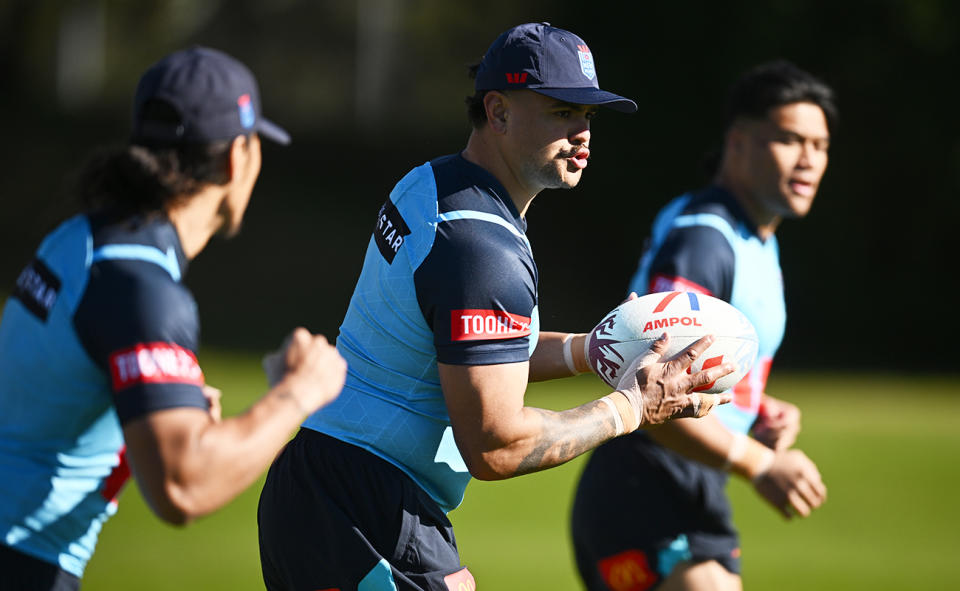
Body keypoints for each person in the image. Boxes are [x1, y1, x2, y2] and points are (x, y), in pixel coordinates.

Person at [257, 22, 737, 591]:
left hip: (331, 487)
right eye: (563, 111)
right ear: (499, 111)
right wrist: (631, 409)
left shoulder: (435, 183)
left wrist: (592, 348)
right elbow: (495, 445)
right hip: (362, 508)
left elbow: (469, 355)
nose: (583, 133)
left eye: (589, 115)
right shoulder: (479, 247)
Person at [0, 47, 347, 590]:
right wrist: (300, 392)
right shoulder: (142, 288)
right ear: (239, 158)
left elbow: (50, 402)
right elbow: (183, 488)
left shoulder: (81, 239)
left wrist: (144, 418)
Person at [570, 60, 836, 591]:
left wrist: (752, 410)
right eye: (789, 139)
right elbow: (657, 390)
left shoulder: (753, 238)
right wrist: (760, 463)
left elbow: (705, 369)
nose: (808, 159)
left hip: (686, 483)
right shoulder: (704, 241)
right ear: (738, 142)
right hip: (645, 484)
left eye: (821, 145)